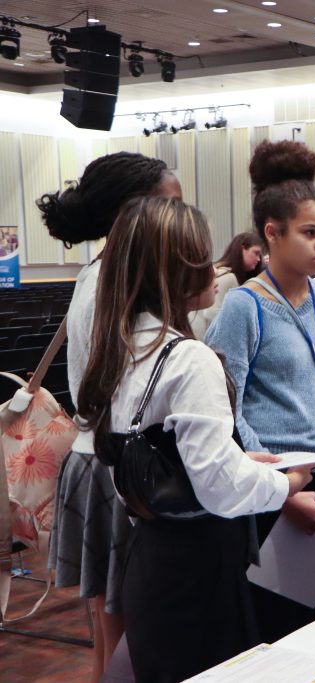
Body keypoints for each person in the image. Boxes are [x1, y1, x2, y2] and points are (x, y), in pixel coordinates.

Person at [76, 196, 314, 682]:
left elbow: (162, 459)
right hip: (198, 567)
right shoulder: (188, 358)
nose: (214, 269)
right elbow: (219, 487)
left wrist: (237, 460)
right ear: (174, 270)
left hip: (151, 557)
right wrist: (287, 483)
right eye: (202, 257)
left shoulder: (119, 345)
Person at [205, 141, 315, 641]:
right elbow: (225, 410)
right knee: (277, 635)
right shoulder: (244, 307)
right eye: (309, 233)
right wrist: (279, 491)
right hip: (274, 491)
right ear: (272, 233)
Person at [38, 152, 181, 683]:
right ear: (129, 214)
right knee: (125, 640)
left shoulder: (101, 273)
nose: (179, 219)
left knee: (112, 633)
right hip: (118, 463)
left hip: (103, 457)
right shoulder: (114, 283)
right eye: (170, 206)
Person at [190, 232, 264, 339]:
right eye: (255, 253)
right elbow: (212, 314)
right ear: (242, 249)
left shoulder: (222, 272)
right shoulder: (228, 277)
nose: (258, 259)